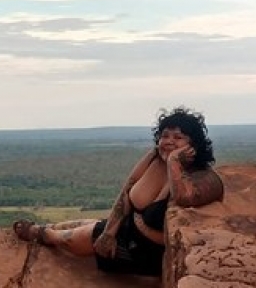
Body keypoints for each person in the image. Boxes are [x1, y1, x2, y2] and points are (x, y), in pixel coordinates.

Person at [12, 106, 223, 277]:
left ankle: (42, 234)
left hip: (144, 252)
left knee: (67, 239)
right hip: (127, 227)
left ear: (193, 145)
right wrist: (109, 233)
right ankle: (47, 229)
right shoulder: (153, 158)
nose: (169, 142)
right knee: (95, 228)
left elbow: (183, 197)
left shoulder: (204, 178)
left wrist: (174, 162)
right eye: (165, 135)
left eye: (178, 138)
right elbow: (128, 189)